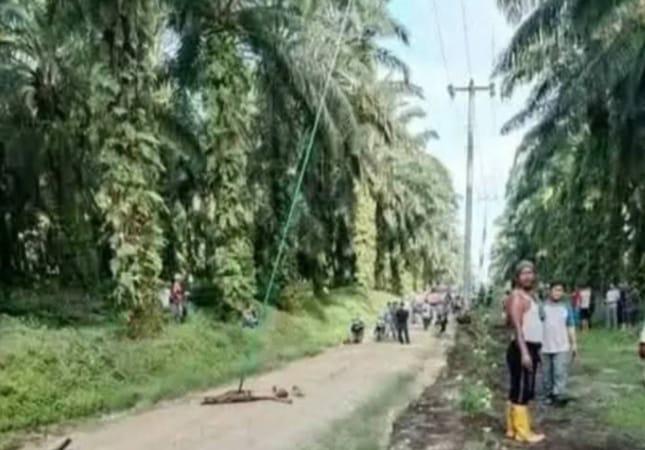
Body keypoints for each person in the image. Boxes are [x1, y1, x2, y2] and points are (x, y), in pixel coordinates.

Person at [504, 261, 545, 444]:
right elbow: (517, 327)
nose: (528, 276)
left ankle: (512, 429)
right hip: (522, 347)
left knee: (517, 388)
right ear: (517, 277)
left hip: (531, 347)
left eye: (530, 272)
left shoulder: (531, 296)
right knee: (523, 390)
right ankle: (523, 433)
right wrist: (525, 353)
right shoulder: (517, 296)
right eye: (523, 273)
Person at [541, 281, 577, 406]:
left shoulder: (566, 307)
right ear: (550, 291)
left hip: (562, 345)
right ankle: (548, 395)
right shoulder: (542, 306)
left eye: (560, 290)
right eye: (555, 290)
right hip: (544, 346)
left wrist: (574, 343)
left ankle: (559, 395)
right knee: (546, 373)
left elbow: (570, 325)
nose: (558, 293)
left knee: (560, 371)